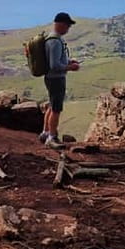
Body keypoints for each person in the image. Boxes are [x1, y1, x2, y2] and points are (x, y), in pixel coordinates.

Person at [39, 12, 80, 148]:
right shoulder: (55, 42)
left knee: (52, 105)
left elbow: (55, 61)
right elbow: (55, 65)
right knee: (56, 109)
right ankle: (52, 137)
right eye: (67, 25)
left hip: (51, 78)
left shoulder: (51, 39)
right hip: (56, 79)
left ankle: (45, 133)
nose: (68, 28)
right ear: (61, 25)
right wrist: (70, 67)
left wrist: (68, 61)